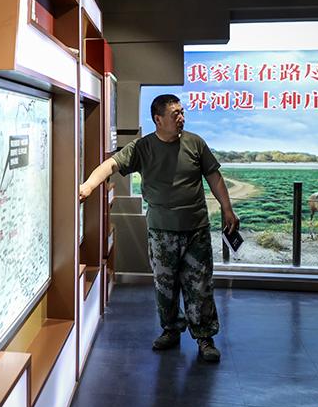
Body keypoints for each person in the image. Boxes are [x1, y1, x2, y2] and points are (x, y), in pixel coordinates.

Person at [79, 94, 238, 362]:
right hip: (162, 231)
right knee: (165, 285)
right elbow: (111, 164)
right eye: (175, 114)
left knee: (200, 285)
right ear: (158, 119)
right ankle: (171, 330)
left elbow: (214, 176)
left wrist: (227, 208)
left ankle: (204, 337)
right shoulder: (143, 147)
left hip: (196, 228)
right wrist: (89, 186)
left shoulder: (195, 143)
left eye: (182, 112)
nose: (182, 118)